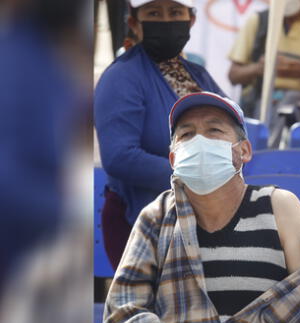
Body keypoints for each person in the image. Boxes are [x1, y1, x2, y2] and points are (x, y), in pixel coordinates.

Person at [101, 91, 300, 323]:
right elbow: (124, 311)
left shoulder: (280, 207)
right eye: (186, 134)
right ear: (173, 159)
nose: (199, 141)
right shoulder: (157, 217)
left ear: (244, 151)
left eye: (214, 130)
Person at [94, 0, 224, 270]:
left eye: (175, 12)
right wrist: (194, 175)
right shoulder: (121, 77)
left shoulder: (197, 75)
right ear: (133, 23)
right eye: (154, 13)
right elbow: (119, 157)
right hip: (140, 223)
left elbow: (234, 131)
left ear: (191, 20)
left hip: (200, 218)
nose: (166, 21)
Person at [227, 0, 300, 147]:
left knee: (289, 104)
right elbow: (234, 75)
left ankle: (268, 154)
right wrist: (260, 68)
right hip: (258, 100)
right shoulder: (258, 23)